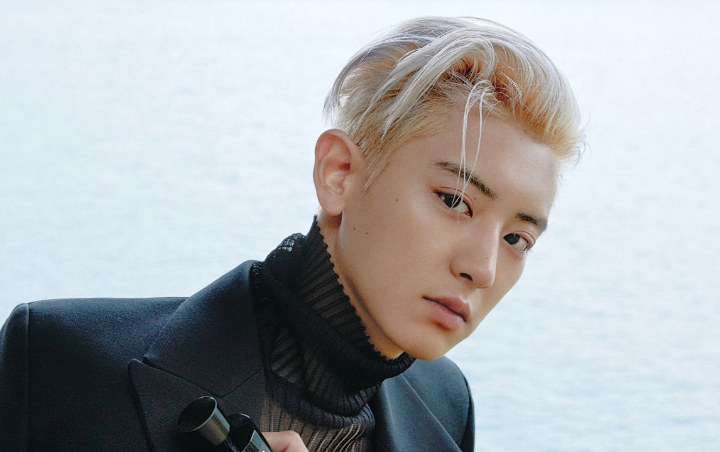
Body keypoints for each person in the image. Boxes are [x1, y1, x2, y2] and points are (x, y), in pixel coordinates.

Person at [0, 16, 583, 451]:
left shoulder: (445, 407)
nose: (482, 267)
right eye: (455, 201)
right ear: (340, 174)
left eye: (517, 240)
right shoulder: (59, 362)